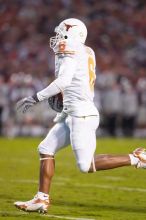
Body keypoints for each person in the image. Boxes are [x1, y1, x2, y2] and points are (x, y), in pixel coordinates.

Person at [14, 18, 146, 213]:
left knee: (85, 165)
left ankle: (137, 158)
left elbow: (64, 81)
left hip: (81, 115)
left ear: (73, 35)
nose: (58, 37)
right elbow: (75, 82)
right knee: (45, 148)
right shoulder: (87, 50)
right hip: (74, 111)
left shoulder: (69, 49)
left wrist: (36, 97)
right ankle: (41, 199)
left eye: (62, 33)